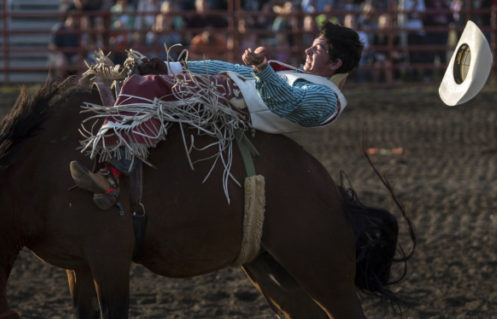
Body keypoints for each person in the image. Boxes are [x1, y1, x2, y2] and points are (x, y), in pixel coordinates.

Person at [71, 21, 364, 206]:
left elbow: (285, 104)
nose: (309, 49)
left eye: (319, 47)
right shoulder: (295, 74)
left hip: (229, 104)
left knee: (143, 85)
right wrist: (172, 68)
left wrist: (262, 69)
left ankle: (110, 174)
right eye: (313, 43)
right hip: (226, 95)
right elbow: (234, 70)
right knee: (149, 80)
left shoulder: (327, 98)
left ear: (336, 62)